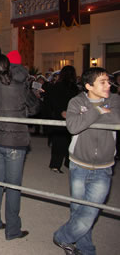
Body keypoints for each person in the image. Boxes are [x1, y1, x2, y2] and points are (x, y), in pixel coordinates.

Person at [52, 67, 119, 255]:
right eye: (103, 82)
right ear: (89, 85)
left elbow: (116, 119)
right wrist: (98, 110)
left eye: (108, 81)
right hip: (79, 163)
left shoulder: (115, 100)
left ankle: (62, 237)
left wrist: (87, 117)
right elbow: (73, 127)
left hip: (104, 166)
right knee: (78, 210)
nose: (108, 85)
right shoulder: (77, 101)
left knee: (90, 212)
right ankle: (85, 249)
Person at [0, 54, 40, 240]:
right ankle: (12, 230)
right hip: (14, 141)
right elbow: (34, 108)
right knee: (13, 185)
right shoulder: (18, 86)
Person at [44, 65, 79, 173]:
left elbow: (50, 101)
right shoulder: (75, 88)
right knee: (70, 141)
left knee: (58, 141)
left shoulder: (56, 86)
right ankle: (68, 163)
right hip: (70, 116)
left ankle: (55, 164)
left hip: (58, 116)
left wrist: (59, 111)